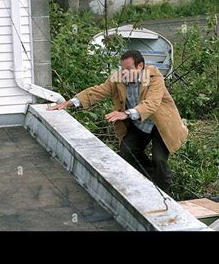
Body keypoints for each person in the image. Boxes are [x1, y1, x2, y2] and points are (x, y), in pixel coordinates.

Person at [47, 50, 188, 193]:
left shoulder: (154, 77)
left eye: (128, 69)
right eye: (122, 69)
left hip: (161, 125)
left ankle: (166, 194)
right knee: (127, 152)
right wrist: (69, 103)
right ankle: (152, 184)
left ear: (140, 66)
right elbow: (98, 91)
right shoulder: (118, 78)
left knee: (159, 159)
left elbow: (151, 103)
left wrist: (126, 114)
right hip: (140, 124)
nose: (124, 73)